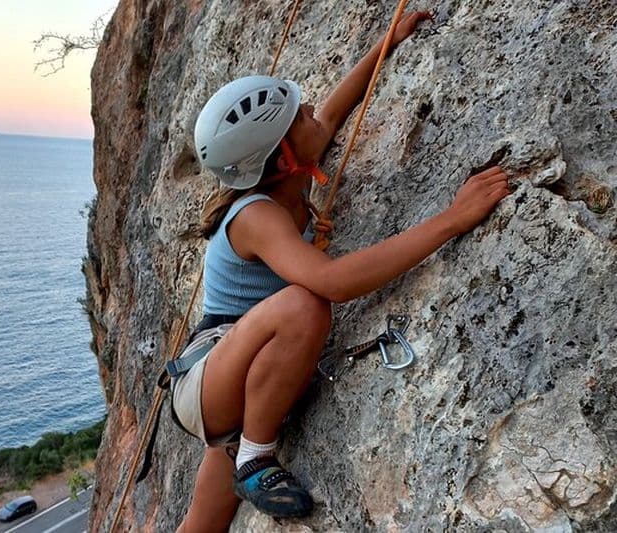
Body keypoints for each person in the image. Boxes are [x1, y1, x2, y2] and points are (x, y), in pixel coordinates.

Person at [172, 11, 510, 532]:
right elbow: (333, 282)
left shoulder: (282, 179)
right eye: (297, 118)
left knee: (203, 523)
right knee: (307, 304)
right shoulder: (257, 214)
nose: (311, 113)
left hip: (237, 373)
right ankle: (256, 458)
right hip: (212, 375)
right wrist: (453, 219)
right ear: (282, 157)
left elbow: (333, 112)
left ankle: (245, 446)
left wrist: (387, 42)